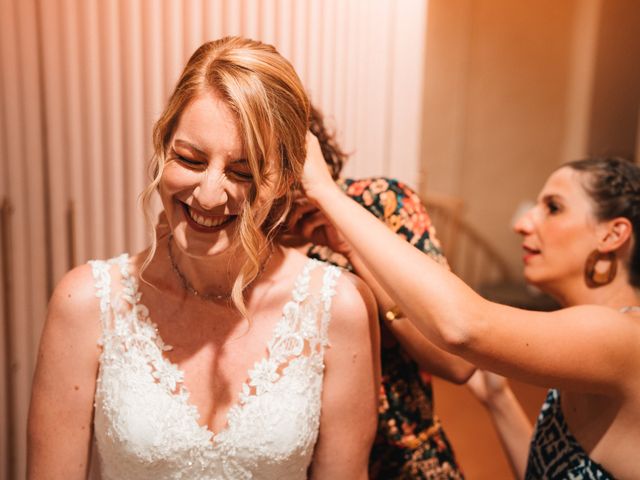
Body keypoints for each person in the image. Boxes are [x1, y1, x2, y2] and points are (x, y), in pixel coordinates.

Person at [27, 37, 380, 480]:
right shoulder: (86, 303)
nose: (209, 195)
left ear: (286, 180)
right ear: (162, 147)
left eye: (243, 171)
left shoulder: (336, 308)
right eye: (190, 159)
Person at [300, 137, 640, 479]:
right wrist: (499, 400)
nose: (522, 224)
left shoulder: (622, 337)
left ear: (613, 235)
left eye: (553, 207)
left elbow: (464, 326)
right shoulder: (593, 341)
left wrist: (327, 193)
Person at [287, 107, 474, 479]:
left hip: (400, 460)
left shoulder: (379, 205)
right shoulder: (233, 236)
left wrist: (352, 249)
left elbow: (457, 363)